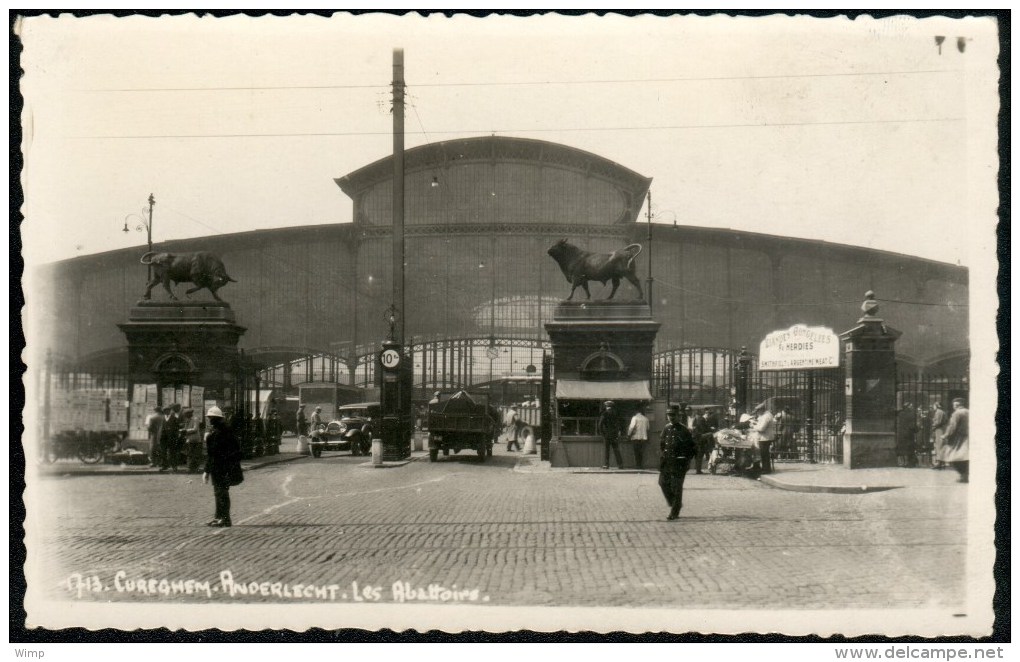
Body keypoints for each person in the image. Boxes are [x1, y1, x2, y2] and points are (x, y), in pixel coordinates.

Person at [203, 406, 242, 527]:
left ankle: (224, 518)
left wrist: (207, 470)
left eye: (211, 418)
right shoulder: (222, 431)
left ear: (217, 419)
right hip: (220, 467)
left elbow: (213, 453)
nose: (210, 420)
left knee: (221, 493)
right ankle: (218, 517)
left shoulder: (220, 433)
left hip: (222, 467)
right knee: (219, 493)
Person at [658, 404, 697, 520]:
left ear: (678, 416)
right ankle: (675, 503)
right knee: (662, 482)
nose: (671, 417)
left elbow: (692, 447)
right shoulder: (666, 428)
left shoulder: (684, 430)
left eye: (673, 415)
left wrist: (686, 460)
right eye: (669, 415)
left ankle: (674, 512)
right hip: (667, 461)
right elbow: (662, 444)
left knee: (676, 487)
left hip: (679, 463)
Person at [942, 398, 969, 483]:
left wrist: (945, 435)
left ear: (956, 405)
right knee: (966, 456)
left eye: (954, 405)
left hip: (959, 438)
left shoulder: (956, 413)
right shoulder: (969, 412)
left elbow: (952, 427)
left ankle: (963, 475)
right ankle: (965, 475)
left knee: (953, 457)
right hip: (969, 437)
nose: (954, 407)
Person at [751, 401, 776, 474]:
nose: (757, 413)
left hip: (765, 437)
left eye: (758, 411)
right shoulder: (765, 415)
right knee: (763, 453)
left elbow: (761, 428)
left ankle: (766, 469)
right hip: (764, 437)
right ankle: (765, 468)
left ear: (761, 410)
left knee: (764, 454)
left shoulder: (766, 416)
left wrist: (753, 426)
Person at [597, 401, 624, 470]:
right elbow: (618, 424)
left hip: (606, 435)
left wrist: (602, 433)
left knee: (607, 450)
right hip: (614, 435)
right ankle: (620, 465)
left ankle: (606, 465)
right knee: (616, 450)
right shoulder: (615, 414)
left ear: (606, 407)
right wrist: (617, 432)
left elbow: (600, 425)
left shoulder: (604, 414)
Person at [691, 408, 717, 474]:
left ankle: (698, 469)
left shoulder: (695, 418)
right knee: (700, 454)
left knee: (698, 455)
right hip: (700, 437)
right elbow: (704, 428)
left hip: (695, 437)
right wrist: (711, 429)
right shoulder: (701, 419)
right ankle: (712, 448)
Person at [161, 403, 184, 472]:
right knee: (163, 452)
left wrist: (175, 434)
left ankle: (174, 466)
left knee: (172, 452)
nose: (166, 412)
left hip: (172, 438)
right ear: (164, 411)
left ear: (170, 411)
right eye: (165, 410)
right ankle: (164, 466)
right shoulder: (162, 418)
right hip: (163, 438)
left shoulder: (174, 418)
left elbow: (177, 428)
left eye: (168, 410)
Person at [626, 405, 650, 469]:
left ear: (636, 411)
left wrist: (628, 435)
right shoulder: (646, 419)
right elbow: (648, 429)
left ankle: (637, 465)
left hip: (636, 437)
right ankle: (641, 465)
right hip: (644, 438)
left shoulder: (635, 418)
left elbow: (631, 427)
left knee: (636, 452)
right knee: (641, 452)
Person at [896, 403, 918, 468]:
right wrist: (917, 429)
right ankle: (910, 463)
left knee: (903, 448)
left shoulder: (900, 414)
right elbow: (912, 425)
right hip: (909, 434)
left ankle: (904, 462)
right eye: (911, 406)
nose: (912, 407)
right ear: (908, 407)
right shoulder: (911, 414)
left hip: (901, 434)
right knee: (910, 448)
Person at [182, 408, 204, 473]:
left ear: (190, 413)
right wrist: (183, 429)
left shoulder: (195, 419)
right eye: (185, 414)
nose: (185, 415)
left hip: (195, 439)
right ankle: (190, 468)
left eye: (186, 414)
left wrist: (185, 430)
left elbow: (195, 429)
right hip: (189, 439)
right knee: (189, 454)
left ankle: (195, 468)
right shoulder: (187, 420)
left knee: (195, 454)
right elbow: (187, 428)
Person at [930, 401, 949, 470]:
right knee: (941, 446)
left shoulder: (939, 412)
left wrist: (932, 426)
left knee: (939, 446)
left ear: (937, 405)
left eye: (934, 405)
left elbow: (938, 422)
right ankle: (941, 462)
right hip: (941, 429)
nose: (933, 407)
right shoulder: (941, 411)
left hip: (939, 430)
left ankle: (939, 463)